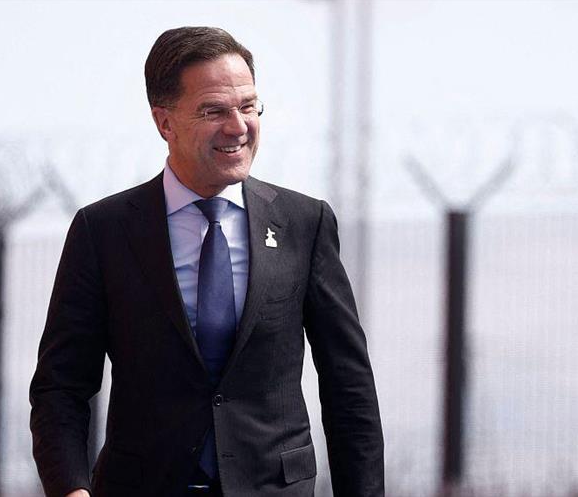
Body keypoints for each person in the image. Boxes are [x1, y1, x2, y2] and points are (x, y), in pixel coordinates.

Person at [30, 26, 384, 497]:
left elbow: (348, 386)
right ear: (164, 123)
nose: (238, 127)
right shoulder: (105, 231)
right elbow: (60, 386)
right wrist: (71, 490)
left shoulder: (305, 223)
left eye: (248, 106)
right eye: (214, 110)